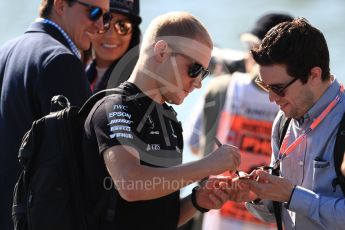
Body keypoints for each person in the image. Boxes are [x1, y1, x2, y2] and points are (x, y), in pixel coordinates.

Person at [82, 12, 247, 230]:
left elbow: (161, 217)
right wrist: (208, 164)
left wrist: (198, 200)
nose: (198, 83)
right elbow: (130, 184)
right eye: (194, 69)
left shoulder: (169, 121)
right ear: (161, 51)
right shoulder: (113, 107)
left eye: (204, 74)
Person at [0, 0, 111, 229]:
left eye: (106, 17)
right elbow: (79, 163)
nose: (101, 26)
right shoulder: (61, 60)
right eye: (94, 12)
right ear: (60, 5)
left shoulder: (6, 50)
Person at [244, 18, 345, 229]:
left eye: (279, 88)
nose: (271, 98)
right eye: (265, 86)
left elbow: (291, 198)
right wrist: (257, 195)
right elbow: (278, 213)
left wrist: (291, 195)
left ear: (314, 75)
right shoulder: (283, 122)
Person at [200, 13, 293, 230]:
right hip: (274, 220)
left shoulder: (222, 88)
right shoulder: (298, 98)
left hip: (220, 217)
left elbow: (198, 147)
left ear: (255, 48)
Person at [86, 0, 142, 93]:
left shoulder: (139, 84)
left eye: (122, 25)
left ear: (133, 33)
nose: (111, 35)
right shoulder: (77, 72)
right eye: (104, 22)